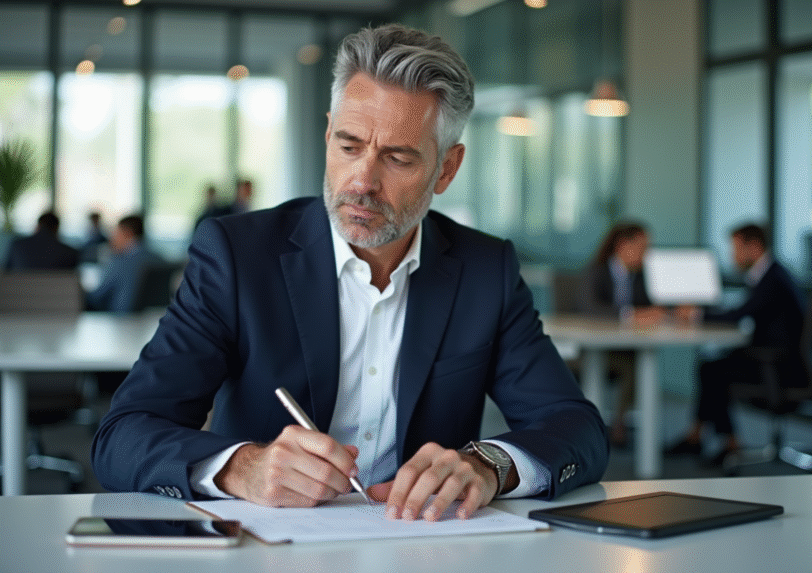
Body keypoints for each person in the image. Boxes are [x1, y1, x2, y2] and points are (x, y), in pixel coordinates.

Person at [91, 23, 608, 522]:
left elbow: (576, 429)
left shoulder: (484, 269)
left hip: (425, 549)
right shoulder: (237, 256)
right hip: (265, 551)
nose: (362, 181)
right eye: (349, 146)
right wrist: (242, 468)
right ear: (327, 136)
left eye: (398, 158)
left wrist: (488, 466)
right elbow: (124, 434)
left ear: (446, 168)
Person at [666, 223, 806, 463]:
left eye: (736, 249)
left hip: (778, 365)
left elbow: (740, 314)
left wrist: (694, 315)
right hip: (781, 358)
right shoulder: (773, 273)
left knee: (712, 370)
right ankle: (698, 436)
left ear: (753, 247)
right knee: (712, 366)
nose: (733, 256)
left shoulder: (772, 279)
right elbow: (749, 312)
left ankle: (726, 442)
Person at [575, 221, 665, 446]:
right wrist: (630, 315)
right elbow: (590, 307)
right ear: (623, 245)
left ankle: (619, 423)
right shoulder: (596, 270)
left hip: (624, 348)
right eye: (643, 247)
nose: (647, 254)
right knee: (631, 364)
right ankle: (606, 427)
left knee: (637, 362)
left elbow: (653, 306)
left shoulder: (642, 276)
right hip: (589, 348)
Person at [86, 214, 163, 313]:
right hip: (150, 321)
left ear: (127, 233)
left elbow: (97, 296)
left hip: (119, 320)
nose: (111, 239)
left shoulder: (120, 262)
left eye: (115, 233)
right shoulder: (159, 259)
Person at [4, 210, 79, 270]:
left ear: (38, 226)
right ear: (56, 228)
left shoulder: (17, 246)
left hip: (19, 288)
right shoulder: (70, 253)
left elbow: (6, 272)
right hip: (55, 289)